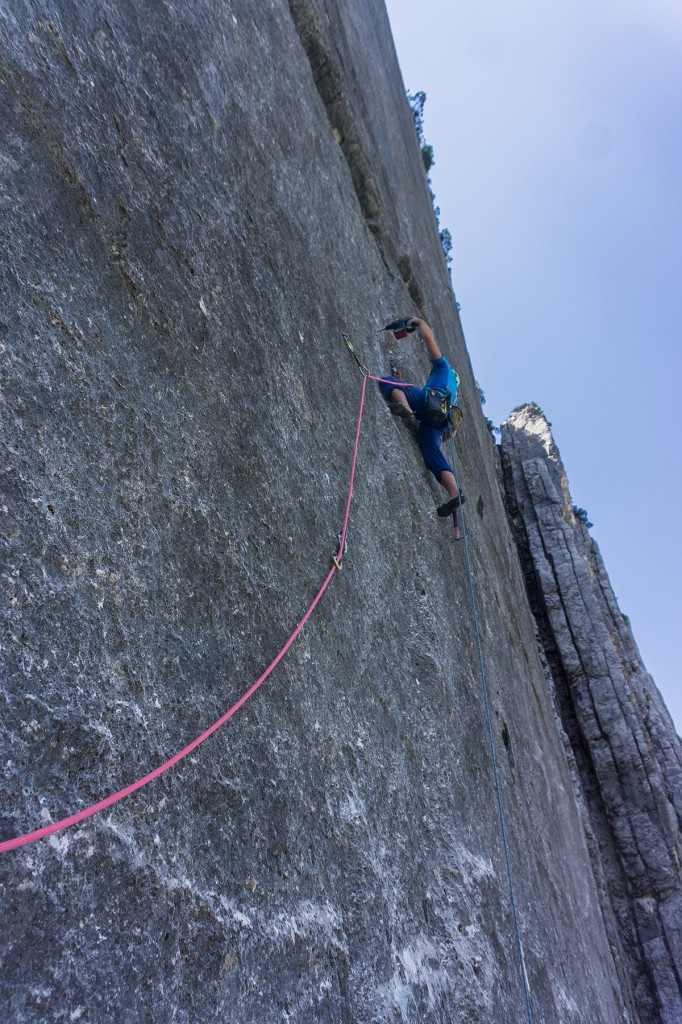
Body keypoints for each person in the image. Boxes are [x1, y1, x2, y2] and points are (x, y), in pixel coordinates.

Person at [378, 316, 464, 517]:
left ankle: (407, 410)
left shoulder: (443, 368)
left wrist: (418, 321)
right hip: (438, 425)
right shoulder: (455, 399)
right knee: (433, 454)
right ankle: (453, 493)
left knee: (389, 382)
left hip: (428, 404)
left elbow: (428, 338)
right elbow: (452, 432)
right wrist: (437, 435)